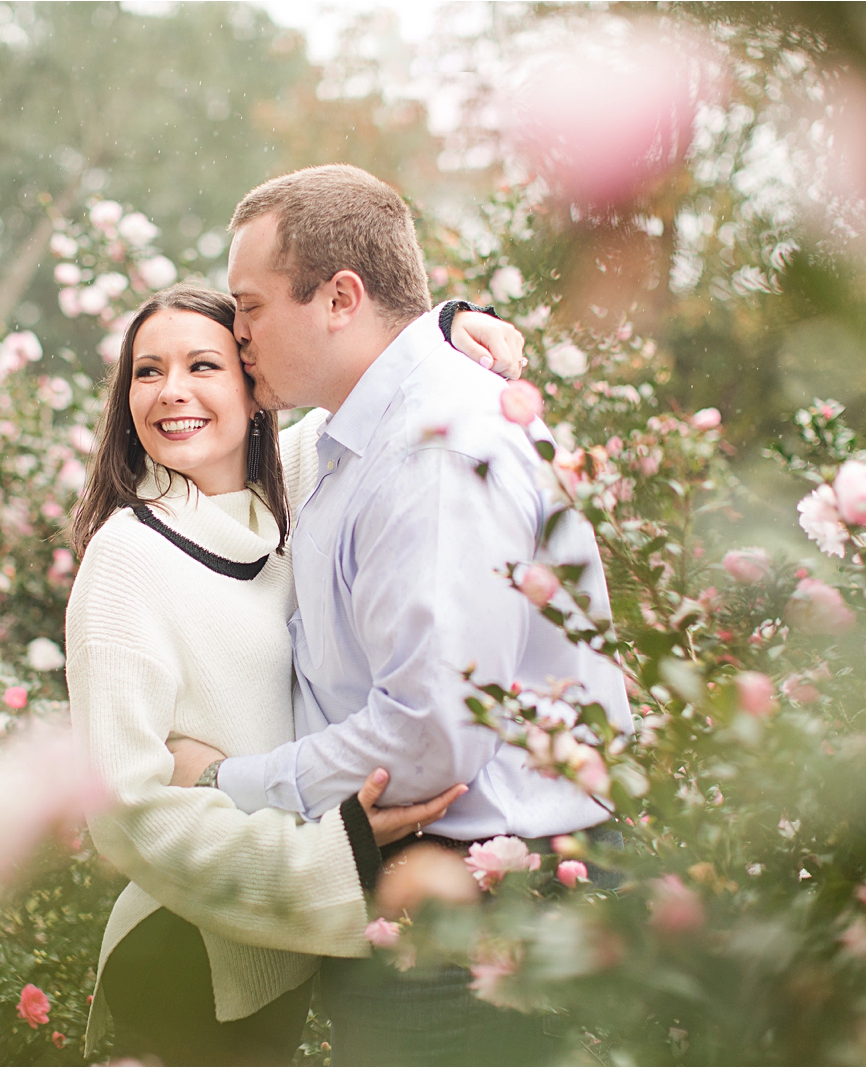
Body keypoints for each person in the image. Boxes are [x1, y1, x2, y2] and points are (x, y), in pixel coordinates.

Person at [165, 163, 633, 1066]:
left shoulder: (436, 447)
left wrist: (229, 788)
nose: (236, 332)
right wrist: (452, 321)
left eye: (249, 306)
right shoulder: (359, 437)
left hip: (486, 921)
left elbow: (429, 739)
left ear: (340, 297)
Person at [67, 284, 523, 1065]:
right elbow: (126, 813)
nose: (172, 391)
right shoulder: (126, 559)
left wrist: (453, 322)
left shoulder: (286, 489)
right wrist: (335, 850)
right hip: (188, 956)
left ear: (254, 386)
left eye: (203, 364)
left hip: (273, 959)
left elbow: (373, 380)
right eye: (148, 372)